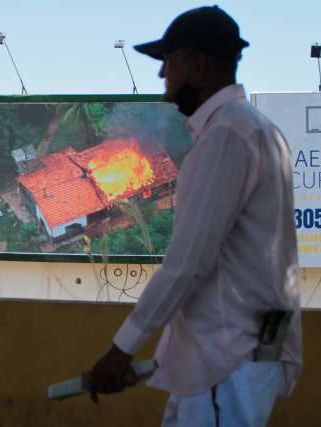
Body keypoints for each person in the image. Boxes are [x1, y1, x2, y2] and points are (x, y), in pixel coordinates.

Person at [88, 6, 302, 426]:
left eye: (169, 62)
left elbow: (189, 262)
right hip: (238, 356)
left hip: (225, 360)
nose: (162, 76)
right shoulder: (259, 129)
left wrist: (122, 348)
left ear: (199, 66)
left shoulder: (225, 135)